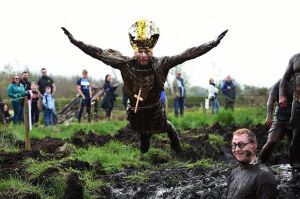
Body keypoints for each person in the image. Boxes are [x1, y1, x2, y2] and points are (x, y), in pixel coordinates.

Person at [62, 19, 227, 154]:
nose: (143, 55)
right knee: (140, 129)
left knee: (165, 126)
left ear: (151, 52)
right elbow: (98, 53)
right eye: (139, 52)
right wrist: (75, 41)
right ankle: (144, 139)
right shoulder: (125, 64)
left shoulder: (162, 63)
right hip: (135, 108)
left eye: (146, 52)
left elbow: (187, 54)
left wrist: (212, 44)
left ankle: (176, 144)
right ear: (135, 52)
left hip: (154, 107)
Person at [226, 128, 277, 199]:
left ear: (253, 146)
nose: (237, 149)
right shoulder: (234, 173)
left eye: (241, 144)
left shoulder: (264, 176)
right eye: (234, 145)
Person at [259, 79, 294, 164]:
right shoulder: (280, 83)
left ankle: (295, 169)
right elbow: (270, 100)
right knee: (271, 141)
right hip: (280, 118)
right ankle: (259, 163)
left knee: (294, 146)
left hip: (295, 119)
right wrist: (269, 116)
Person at [279, 53, 300, 173]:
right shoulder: (295, 58)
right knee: (297, 132)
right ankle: (296, 165)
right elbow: (285, 79)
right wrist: (281, 95)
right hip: (298, 101)